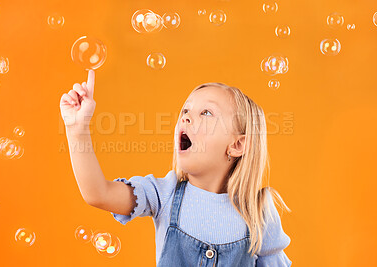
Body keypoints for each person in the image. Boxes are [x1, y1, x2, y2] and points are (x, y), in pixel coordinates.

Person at [60, 70, 292, 266]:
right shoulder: (164, 193)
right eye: (185, 111)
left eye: (206, 112)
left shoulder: (259, 211)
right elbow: (98, 194)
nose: (186, 118)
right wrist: (77, 129)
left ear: (237, 145)